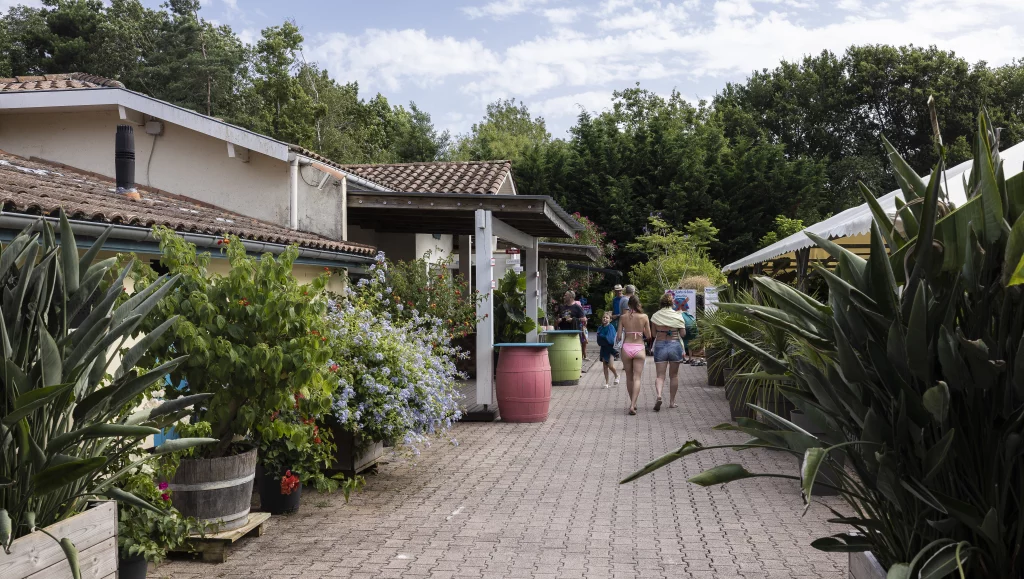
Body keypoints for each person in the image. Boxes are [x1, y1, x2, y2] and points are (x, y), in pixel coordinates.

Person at [651, 292, 687, 410]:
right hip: (674, 345)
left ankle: (659, 395)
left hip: (660, 345)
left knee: (660, 376)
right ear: (672, 303)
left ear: (661, 303)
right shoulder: (677, 315)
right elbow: (683, 334)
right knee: (674, 376)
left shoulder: (655, 316)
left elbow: (652, 334)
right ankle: (672, 402)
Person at [616, 294, 650, 415]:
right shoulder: (644, 317)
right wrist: (641, 331)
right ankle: (632, 404)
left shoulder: (623, 317)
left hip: (626, 347)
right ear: (638, 304)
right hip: (639, 348)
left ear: (628, 305)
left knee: (629, 377)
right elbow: (649, 335)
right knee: (637, 378)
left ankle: (632, 403)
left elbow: (619, 336)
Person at [596, 312, 620, 388]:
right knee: (605, 366)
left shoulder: (611, 327)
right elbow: (599, 339)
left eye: (607, 318)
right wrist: (603, 337)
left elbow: (610, 339)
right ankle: (606, 382)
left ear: (610, 320)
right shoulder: (600, 328)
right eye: (604, 317)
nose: (605, 319)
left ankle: (617, 375)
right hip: (603, 348)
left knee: (610, 365)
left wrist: (602, 336)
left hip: (611, 349)